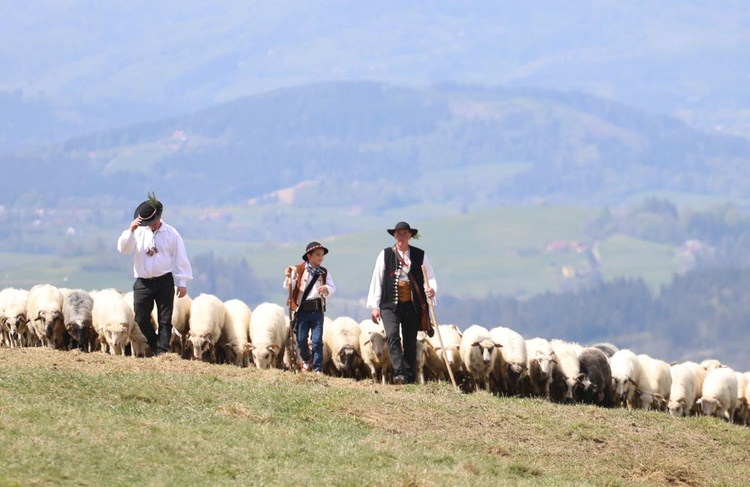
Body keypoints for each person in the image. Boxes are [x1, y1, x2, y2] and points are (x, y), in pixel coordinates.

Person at [117, 193, 193, 356]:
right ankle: (155, 344)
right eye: (147, 223)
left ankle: (163, 352)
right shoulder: (138, 232)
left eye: (152, 222)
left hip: (164, 281)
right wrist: (130, 230)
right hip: (143, 282)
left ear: (159, 217)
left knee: (165, 320)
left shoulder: (171, 233)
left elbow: (180, 257)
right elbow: (124, 249)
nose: (150, 225)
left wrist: (182, 282)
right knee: (141, 318)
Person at [367, 221, 436, 385]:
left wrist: (431, 290)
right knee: (392, 336)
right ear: (394, 235)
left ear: (410, 235)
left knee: (410, 340)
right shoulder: (385, 255)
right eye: (398, 233)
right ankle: (399, 373)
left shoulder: (420, 255)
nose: (401, 236)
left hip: (412, 305)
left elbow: (430, 277)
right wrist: (374, 306)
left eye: (405, 233)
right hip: (389, 304)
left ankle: (410, 375)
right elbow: (377, 280)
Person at [284, 241, 336, 374]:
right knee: (301, 339)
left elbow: (332, 287)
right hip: (302, 310)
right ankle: (307, 359)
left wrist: (326, 289)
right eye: (317, 255)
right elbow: (288, 285)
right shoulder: (299, 270)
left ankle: (318, 367)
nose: (320, 258)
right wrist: (289, 276)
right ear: (309, 256)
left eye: (322, 255)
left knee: (317, 340)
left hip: (317, 310)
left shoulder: (324, 272)